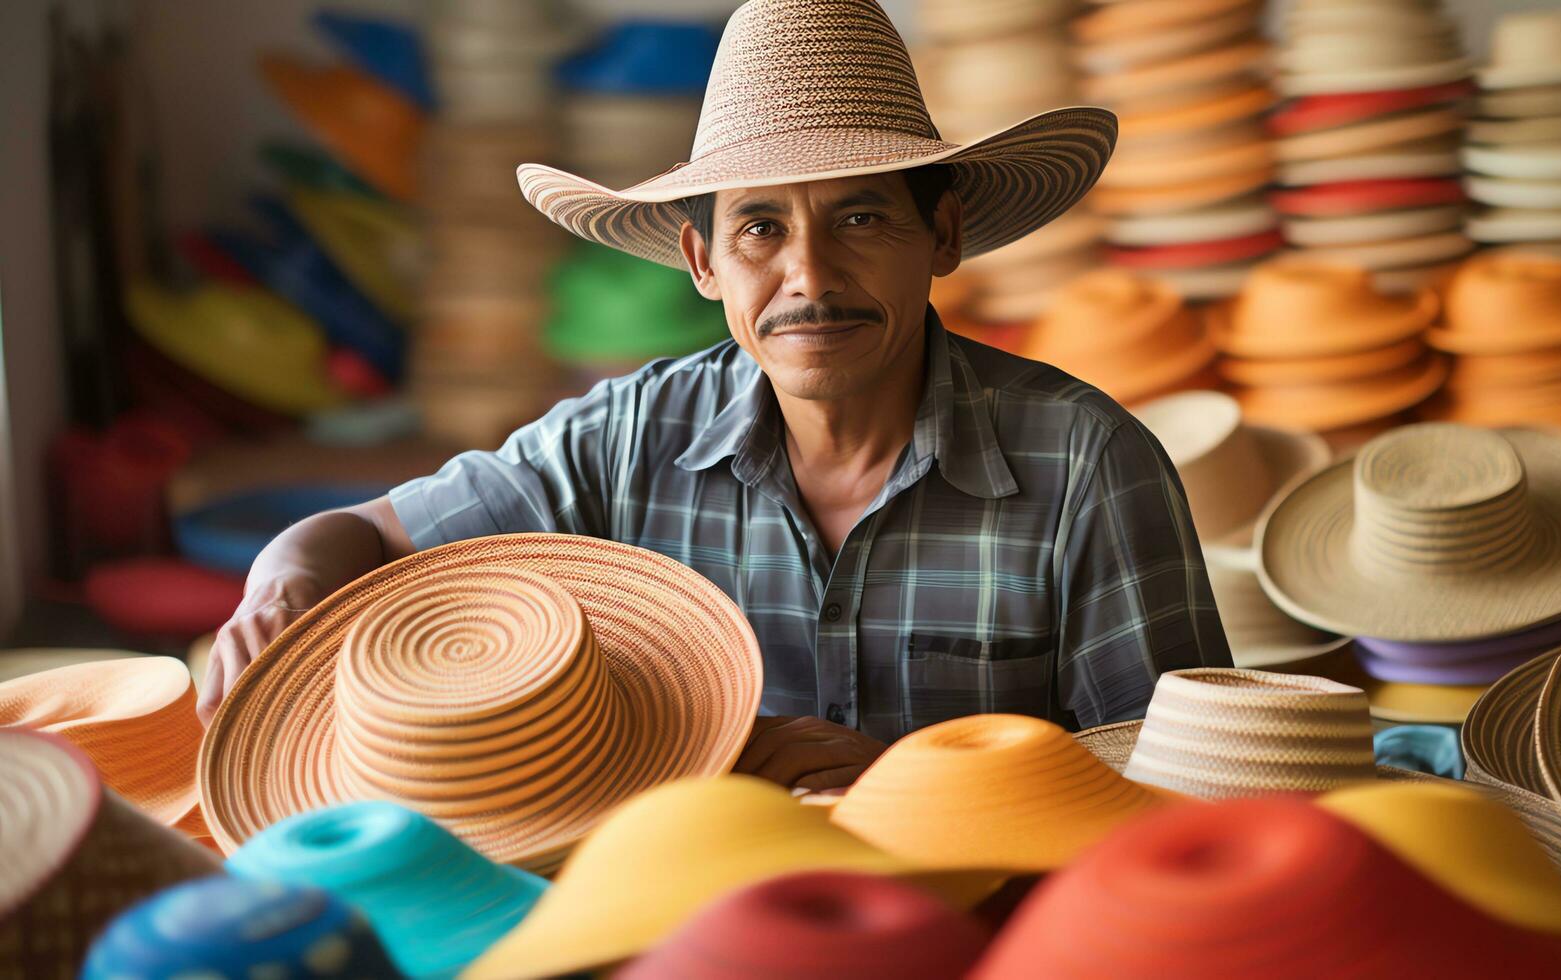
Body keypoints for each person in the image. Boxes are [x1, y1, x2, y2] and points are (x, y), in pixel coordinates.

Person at [199, 0, 1232, 790]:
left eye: (863, 219)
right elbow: (354, 537)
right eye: (760, 229)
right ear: (701, 262)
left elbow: (1185, 784)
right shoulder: (622, 440)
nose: (810, 277)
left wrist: (909, 788)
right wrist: (277, 582)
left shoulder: (1087, 465)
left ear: (944, 237)